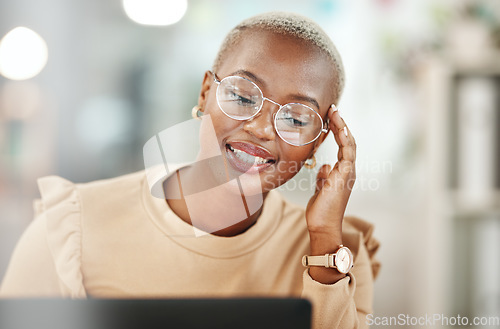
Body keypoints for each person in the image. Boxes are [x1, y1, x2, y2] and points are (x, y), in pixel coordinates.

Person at [0, 12, 380, 329]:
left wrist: (325, 240)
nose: (263, 128)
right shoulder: (71, 226)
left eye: (296, 118)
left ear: (318, 142)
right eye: (243, 97)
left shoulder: (335, 254)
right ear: (204, 94)